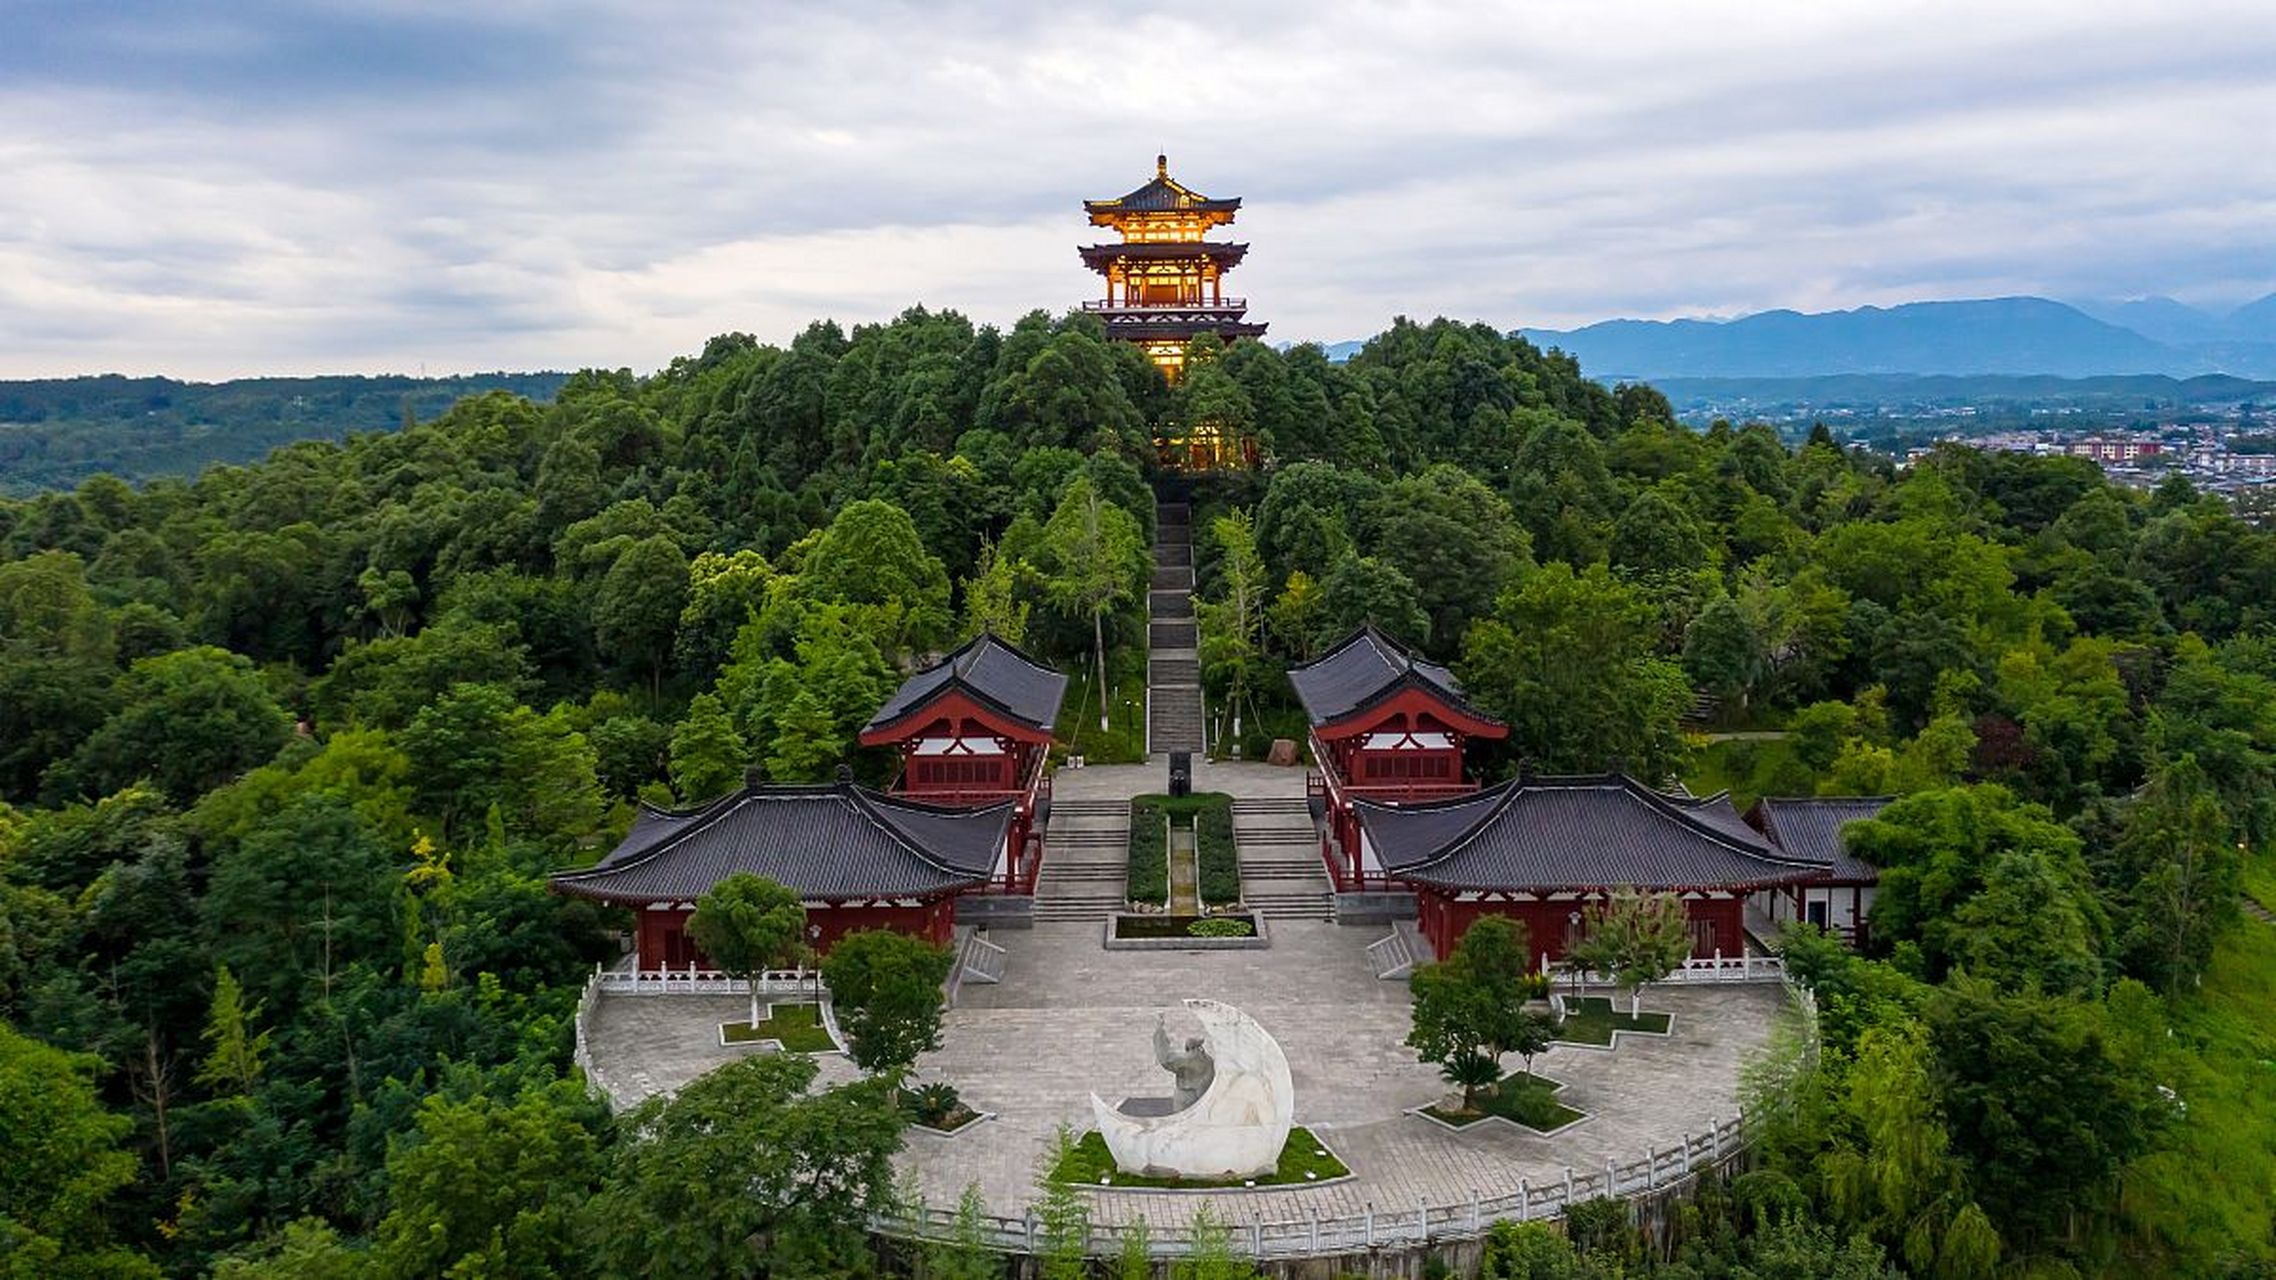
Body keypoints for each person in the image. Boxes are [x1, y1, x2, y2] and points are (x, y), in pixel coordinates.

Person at [1153, 1013, 1215, 1109]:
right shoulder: (1208, 1060)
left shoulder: (1188, 1059)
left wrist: (1159, 1030)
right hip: (1202, 1098)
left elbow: (1166, 1059)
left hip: (1187, 1098)